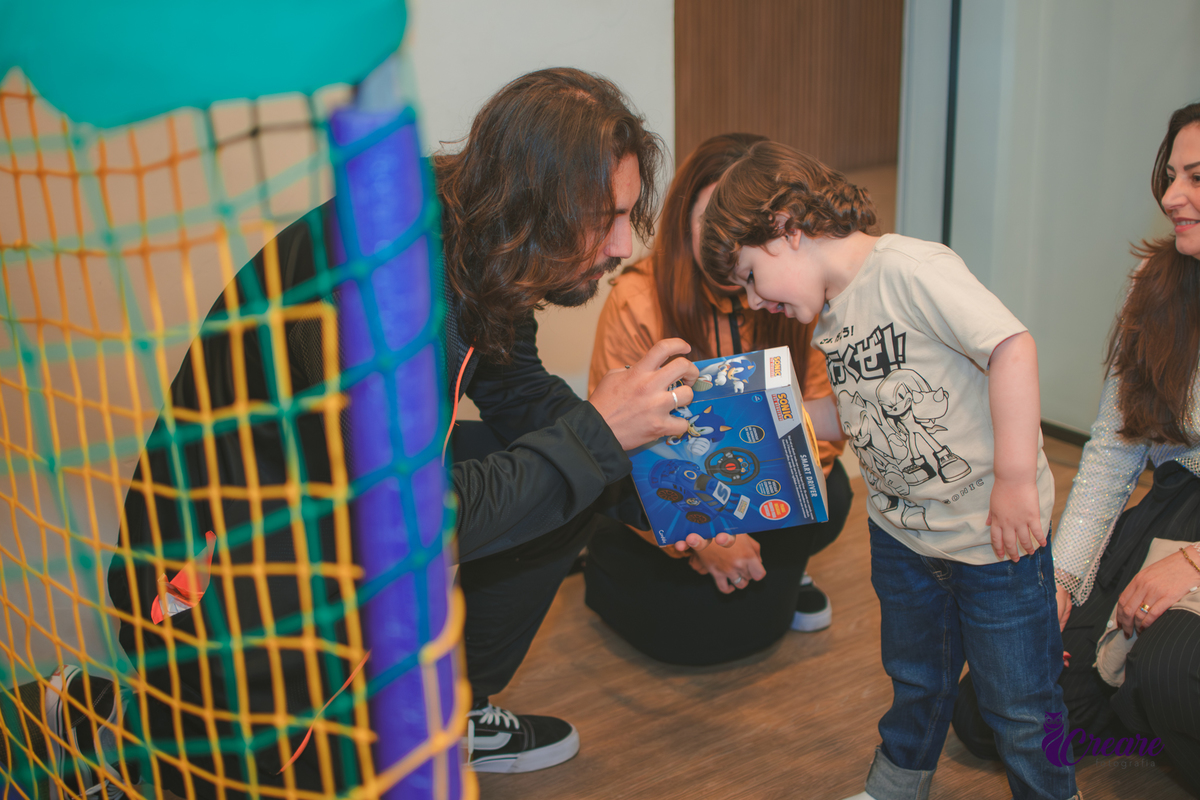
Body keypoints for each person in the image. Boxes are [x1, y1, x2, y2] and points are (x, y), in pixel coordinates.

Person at [105, 68, 732, 797]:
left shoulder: (479, 237)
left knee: (573, 467)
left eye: (628, 213)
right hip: (221, 588)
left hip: (341, 520)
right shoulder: (380, 279)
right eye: (604, 215)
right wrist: (598, 432)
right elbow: (405, 521)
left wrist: (666, 505)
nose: (625, 241)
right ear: (536, 202)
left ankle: (455, 713)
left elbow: (523, 394)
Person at [699, 141, 1078, 800]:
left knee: (1020, 706)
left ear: (786, 229)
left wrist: (1017, 480)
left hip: (994, 541)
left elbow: (1013, 347)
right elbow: (852, 415)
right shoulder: (833, 313)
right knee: (916, 682)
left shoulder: (908, 268)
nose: (754, 300)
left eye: (751, 277)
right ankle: (896, 786)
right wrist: (741, 414)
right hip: (903, 541)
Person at [953, 101, 1200, 797]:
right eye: (1171, 175)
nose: (1172, 196)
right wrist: (1059, 583)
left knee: (1170, 665)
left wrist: (1192, 567)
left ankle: (1154, 690)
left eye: (1197, 177)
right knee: (990, 710)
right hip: (1175, 509)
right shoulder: (1157, 289)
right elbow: (1113, 454)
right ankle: (1151, 714)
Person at [583, 133, 853, 665]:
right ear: (683, 218)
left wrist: (780, 493)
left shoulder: (791, 288)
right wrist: (709, 533)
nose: (725, 244)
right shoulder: (637, 297)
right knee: (694, 639)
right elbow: (619, 452)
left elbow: (819, 413)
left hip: (758, 487)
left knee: (834, 493)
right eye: (710, 220)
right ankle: (760, 570)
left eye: (743, 225)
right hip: (674, 499)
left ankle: (781, 566)